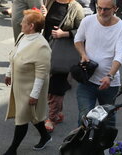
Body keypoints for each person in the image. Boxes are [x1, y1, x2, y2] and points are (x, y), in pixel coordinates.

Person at [4, 9, 52, 154]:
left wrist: (34, 95)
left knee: (22, 117)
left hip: (31, 88)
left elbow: (41, 75)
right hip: (19, 86)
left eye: (23, 22)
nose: (20, 23)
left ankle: (12, 150)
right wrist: (9, 73)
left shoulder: (42, 46)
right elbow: (15, 55)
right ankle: (45, 136)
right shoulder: (22, 36)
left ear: (31, 26)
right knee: (33, 116)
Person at [74, 0, 122, 126]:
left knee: (108, 120)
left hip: (109, 84)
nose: (102, 12)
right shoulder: (88, 21)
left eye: (106, 9)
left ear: (115, 8)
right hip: (87, 80)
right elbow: (78, 39)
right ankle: (81, 145)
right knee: (85, 118)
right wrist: (83, 54)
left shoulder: (121, 27)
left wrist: (110, 76)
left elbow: (120, 54)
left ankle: (105, 146)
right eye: (99, 8)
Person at [40, 0, 84, 132]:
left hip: (63, 53)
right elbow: (46, 24)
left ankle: (52, 118)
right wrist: (43, 16)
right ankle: (58, 113)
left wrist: (64, 34)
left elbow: (83, 31)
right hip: (47, 49)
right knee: (47, 85)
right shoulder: (50, 2)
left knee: (55, 87)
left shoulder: (76, 7)